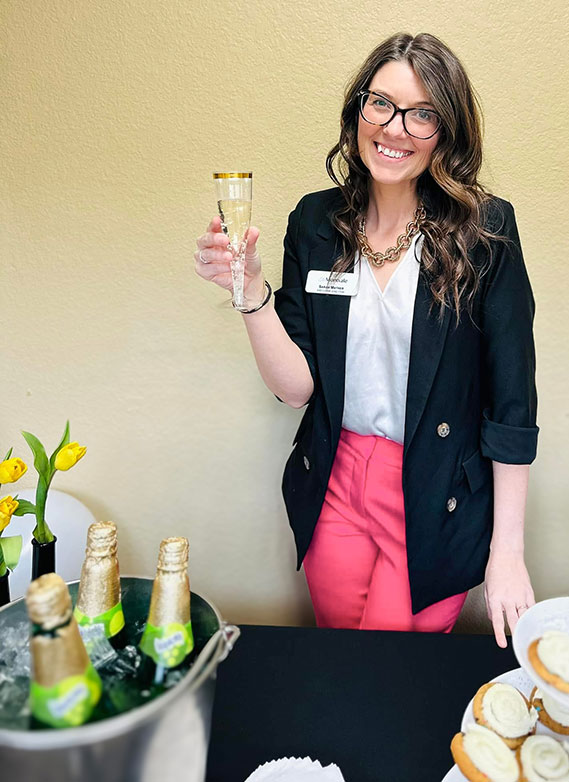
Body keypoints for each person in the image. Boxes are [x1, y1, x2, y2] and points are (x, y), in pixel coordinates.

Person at [194, 32, 538, 646]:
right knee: (339, 649)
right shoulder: (316, 223)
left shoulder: (485, 231)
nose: (395, 128)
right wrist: (249, 291)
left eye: (422, 113)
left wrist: (506, 552)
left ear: (446, 132)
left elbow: (512, 405)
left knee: (394, 663)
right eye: (380, 103)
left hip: (434, 486)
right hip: (337, 477)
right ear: (358, 110)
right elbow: (298, 388)